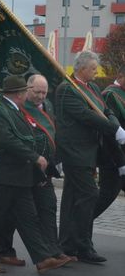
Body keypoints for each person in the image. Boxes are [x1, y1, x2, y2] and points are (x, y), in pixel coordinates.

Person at [0, 75, 68, 275]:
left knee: (29, 219)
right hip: (2, 175)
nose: (28, 93)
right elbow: (7, 140)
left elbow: (27, 136)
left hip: (19, 176)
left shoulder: (14, 110)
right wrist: (34, 156)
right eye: (26, 90)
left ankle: (43, 259)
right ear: (18, 94)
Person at [56, 51, 125, 263]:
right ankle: (82, 245)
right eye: (93, 68)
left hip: (89, 152)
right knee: (89, 195)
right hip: (74, 152)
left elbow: (105, 110)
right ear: (81, 68)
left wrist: (114, 124)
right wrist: (115, 129)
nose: (96, 72)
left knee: (72, 199)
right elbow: (87, 116)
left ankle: (68, 245)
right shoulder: (67, 89)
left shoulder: (93, 88)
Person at [93, 65, 125, 219]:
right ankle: (77, 227)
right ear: (120, 75)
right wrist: (119, 161)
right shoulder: (110, 95)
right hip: (114, 156)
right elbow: (109, 131)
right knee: (105, 196)